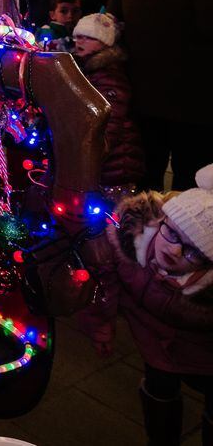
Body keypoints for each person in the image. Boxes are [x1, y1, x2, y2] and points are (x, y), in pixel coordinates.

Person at [79, 166, 213, 445]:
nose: (174, 251)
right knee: (159, 392)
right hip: (155, 345)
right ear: (164, 220)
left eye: (193, 251)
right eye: (174, 234)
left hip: (204, 354)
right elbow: (106, 284)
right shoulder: (130, 243)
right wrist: (103, 325)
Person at [109, 0, 213, 191]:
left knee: (148, 173)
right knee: (192, 174)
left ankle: (143, 233)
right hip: (192, 92)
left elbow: (114, 19)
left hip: (142, 87)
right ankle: (182, 234)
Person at [71, 13, 143, 197]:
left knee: (114, 215)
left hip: (115, 162)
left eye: (89, 37)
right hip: (102, 160)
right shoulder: (84, 68)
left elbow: (110, 120)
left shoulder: (109, 76)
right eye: (78, 36)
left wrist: (95, 152)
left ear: (105, 42)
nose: (80, 41)